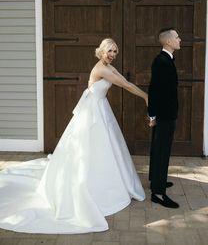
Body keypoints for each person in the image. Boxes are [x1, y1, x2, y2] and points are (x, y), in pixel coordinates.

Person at [0, 38, 147, 234]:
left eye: (115, 51)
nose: (112, 54)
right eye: (109, 51)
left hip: (100, 108)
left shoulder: (108, 66)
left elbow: (126, 81)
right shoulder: (101, 69)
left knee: (105, 147)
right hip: (93, 112)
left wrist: (143, 94)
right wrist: (146, 96)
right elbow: (125, 86)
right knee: (91, 148)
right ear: (101, 51)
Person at [148, 28, 181, 208]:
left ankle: (156, 180)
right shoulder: (161, 61)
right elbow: (154, 90)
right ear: (168, 41)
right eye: (177, 37)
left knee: (158, 149)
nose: (179, 39)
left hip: (166, 113)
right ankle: (158, 193)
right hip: (164, 115)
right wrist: (152, 115)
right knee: (162, 151)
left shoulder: (166, 60)